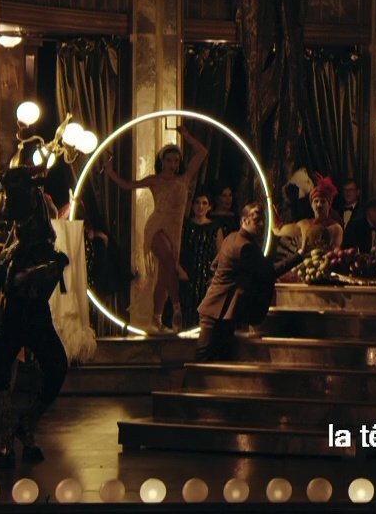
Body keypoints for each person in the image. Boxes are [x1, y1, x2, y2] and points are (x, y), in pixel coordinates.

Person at [0, 211, 70, 469]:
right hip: (13, 320)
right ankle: (6, 436)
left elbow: (53, 267)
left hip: (38, 320)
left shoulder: (49, 254)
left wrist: (30, 275)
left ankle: (27, 425)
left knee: (57, 366)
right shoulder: (13, 255)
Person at [104, 125, 210, 331]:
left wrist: (187, 136)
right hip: (156, 227)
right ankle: (177, 308)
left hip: (174, 230)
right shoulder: (155, 180)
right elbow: (127, 185)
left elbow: (202, 152)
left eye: (176, 160)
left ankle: (156, 318)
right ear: (162, 161)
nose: (173, 164)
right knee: (170, 262)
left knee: (164, 275)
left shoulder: (184, 178)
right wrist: (109, 171)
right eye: (169, 160)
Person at [196, 203, 301, 362]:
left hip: (219, 307)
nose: (261, 224)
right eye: (256, 220)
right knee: (206, 358)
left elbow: (214, 266)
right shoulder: (245, 246)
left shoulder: (231, 237)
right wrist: (299, 255)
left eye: (262, 221)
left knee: (214, 358)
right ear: (244, 220)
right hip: (219, 309)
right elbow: (269, 272)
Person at [180, 193, 220, 324]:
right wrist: (179, 269)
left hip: (207, 275)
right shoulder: (185, 225)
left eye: (204, 203)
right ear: (192, 205)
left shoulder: (215, 228)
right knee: (187, 311)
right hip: (188, 273)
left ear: (209, 207)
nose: (200, 206)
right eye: (197, 202)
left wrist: (215, 275)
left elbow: (220, 254)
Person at [278, 174, 343, 254]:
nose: (319, 205)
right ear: (311, 205)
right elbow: (278, 230)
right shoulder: (304, 224)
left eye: (323, 201)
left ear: (329, 205)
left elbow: (334, 252)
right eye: (316, 201)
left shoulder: (335, 228)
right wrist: (269, 201)